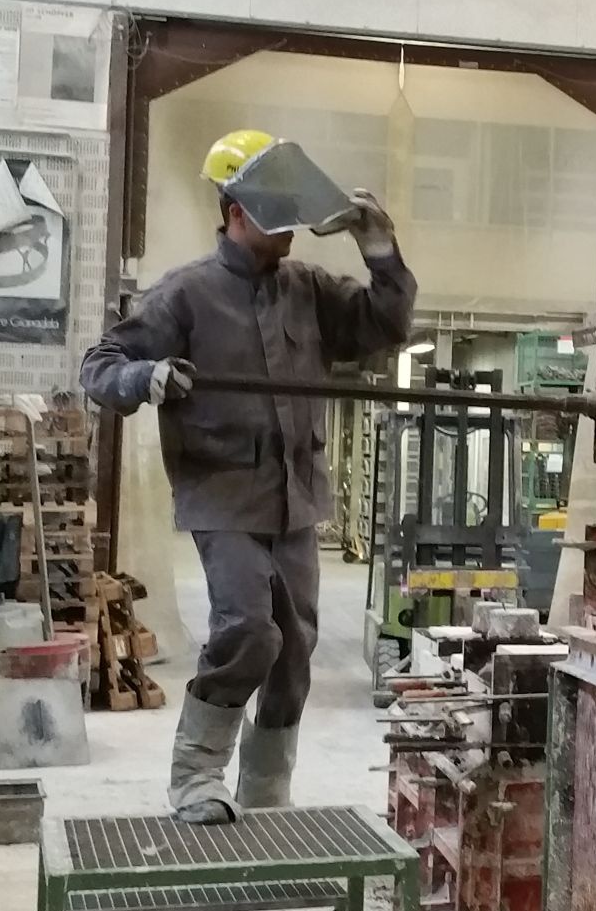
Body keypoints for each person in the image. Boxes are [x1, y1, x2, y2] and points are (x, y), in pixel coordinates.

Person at [81, 128, 415, 821]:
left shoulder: (309, 289)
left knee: (295, 653)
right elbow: (100, 365)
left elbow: (384, 325)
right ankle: (196, 776)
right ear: (236, 212)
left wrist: (380, 250)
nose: (290, 229)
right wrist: (147, 376)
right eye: (276, 215)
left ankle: (266, 790)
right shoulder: (186, 294)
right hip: (223, 496)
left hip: (297, 499)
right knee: (249, 632)